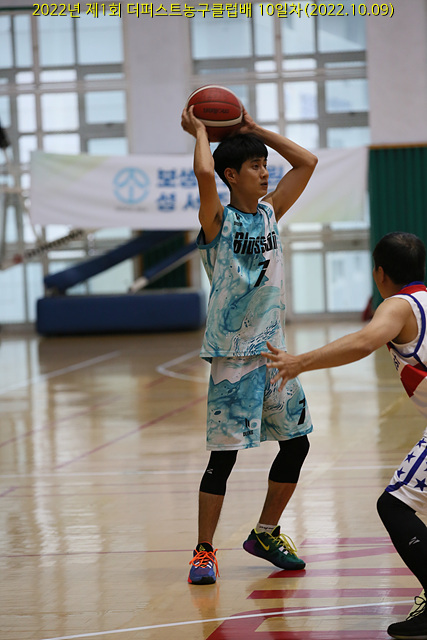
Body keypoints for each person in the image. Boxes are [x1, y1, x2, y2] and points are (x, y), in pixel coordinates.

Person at [263, 231, 427, 640]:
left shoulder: (399, 305)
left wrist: (300, 362)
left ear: (379, 273)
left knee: (395, 505)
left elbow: (364, 341)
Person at [180, 103, 318, 586]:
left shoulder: (270, 212)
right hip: (233, 359)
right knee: (224, 459)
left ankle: (265, 533)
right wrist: (201, 131)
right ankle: (203, 552)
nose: (265, 172)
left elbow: (307, 162)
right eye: (255, 166)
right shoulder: (217, 221)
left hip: (275, 354)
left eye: (265, 165)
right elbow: (204, 172)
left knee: (297, 444)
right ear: (231, 176)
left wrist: (257, 130)